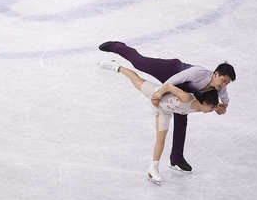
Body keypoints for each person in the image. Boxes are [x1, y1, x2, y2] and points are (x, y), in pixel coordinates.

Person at [98, 41, 235, 172]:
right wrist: (158, 95)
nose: (223, 85)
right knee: (140, 63)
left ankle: (176, 158)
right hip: (171, 71)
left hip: (180, 91)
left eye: (227, 83)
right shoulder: (198, 72)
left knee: (182, 118)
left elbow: (225, 102)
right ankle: (118, 47)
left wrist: (222, 108)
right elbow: (172, 82)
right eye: (223, 81)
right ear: (216, 74)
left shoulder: (220, 88)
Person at [97, 60, 219, 183]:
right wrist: (157, 96)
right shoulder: (186, 97)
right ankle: (117, 67)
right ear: (205, 103)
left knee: (160, 139)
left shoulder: (202, 107)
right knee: (135, 78)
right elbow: (168, 86)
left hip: (163, 112)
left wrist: (220, 105)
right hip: (155, 93)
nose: (212, 110)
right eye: (212, 107)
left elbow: (216, 104)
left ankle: (153, 169)